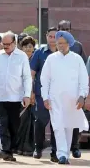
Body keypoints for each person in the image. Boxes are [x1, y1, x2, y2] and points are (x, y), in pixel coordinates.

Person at [40, 31, 89, 164]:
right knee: (57, 125)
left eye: (62, 43)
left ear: (69, 44)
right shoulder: (51, 59)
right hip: (55, 98)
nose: (60, 46)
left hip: (72, 100)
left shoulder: (77, 59)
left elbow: (83, 80)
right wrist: (45, 97)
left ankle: (64, 155)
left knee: (69, 126)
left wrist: (82, 96)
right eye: (58, 43)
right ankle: (61, 153)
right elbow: (44, 79)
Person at [0, 31, 32, 162]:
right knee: (3, 124)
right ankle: (5, 149)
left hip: (16, 97)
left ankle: (9, 151)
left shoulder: (22, 57)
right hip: (0, 97)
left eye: (7, 44)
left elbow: (27, 77)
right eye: (3, 44)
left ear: (14, 43)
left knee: (14, 125)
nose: (5, 47)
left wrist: (27, 95)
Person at [57, 20, 87, 158]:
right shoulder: (55, 46)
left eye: (67, 28)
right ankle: (59, 150)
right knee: (59, 122)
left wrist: (83, 91)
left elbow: (84, 71)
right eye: (61, 28)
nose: (64, 30)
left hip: (75, 92)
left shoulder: (78, 47)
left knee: (74, 120)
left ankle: (74, 147)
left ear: (71, 30)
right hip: (58, 92)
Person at [30, 27, 58, 162]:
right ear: (46, 36)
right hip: (42, 95)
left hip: (58, 95)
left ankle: (55, 152)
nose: (52, 39)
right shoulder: (39, 53)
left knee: (56, 124)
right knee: (40, 122)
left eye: (55, 36)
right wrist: (31, 92)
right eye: (50, 36)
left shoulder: (63, 53)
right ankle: (38, 148)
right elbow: (32, 74)